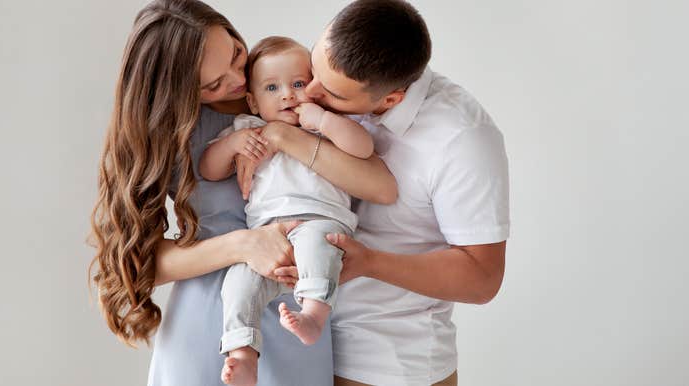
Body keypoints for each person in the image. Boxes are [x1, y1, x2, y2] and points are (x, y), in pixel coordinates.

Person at [88, 1, 397, 385]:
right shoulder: (170, 132)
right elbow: (138, 263)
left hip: (299, 317)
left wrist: (280, 135)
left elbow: (382, 188)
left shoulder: (298, 89)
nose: (236, 79)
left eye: (236, 53)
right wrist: (243, 245)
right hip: (212, 324)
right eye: (212, 84)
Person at [237, 1, 510, 385]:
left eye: (330, 92)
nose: (308, 93)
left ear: (390, 99)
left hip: (388, 363)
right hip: (300, 353)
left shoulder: (462, 139)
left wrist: (369, 262)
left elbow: (483, 278)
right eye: (314, 69)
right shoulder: (326, 86)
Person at [199, 36, 385, 386]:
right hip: (265, 237)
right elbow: (208, 168)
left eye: (298, 84)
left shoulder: (323, 125)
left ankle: (314, 314)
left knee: (319, 245)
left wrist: (323, 120)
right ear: (252, 101)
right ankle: (242, 353)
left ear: (313, 87)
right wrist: (232, 145)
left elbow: (364, 147)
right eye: (272, 87)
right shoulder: (245, 130)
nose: (287, 94)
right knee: (238, 283)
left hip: (320, 220)